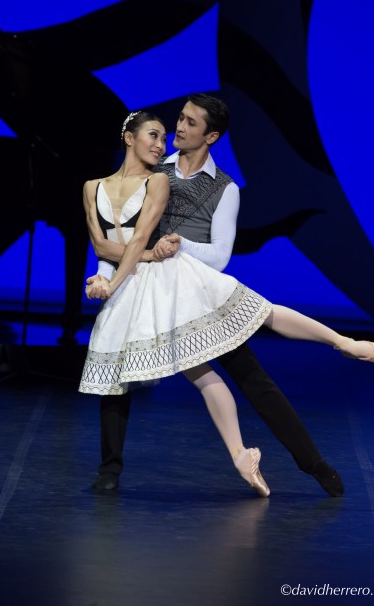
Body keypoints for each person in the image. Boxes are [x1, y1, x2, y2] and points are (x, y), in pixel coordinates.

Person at [81, 95, 374, 494]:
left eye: (190, 123)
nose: (178, 129)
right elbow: (123, 238)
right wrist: (106, 273)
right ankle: (124, 467)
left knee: (255, 363)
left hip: (195, 287)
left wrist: (179, 245)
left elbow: (220, 256)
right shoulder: (154, 171)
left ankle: (316, 447)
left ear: (211, 136)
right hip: (152, 289)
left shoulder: (224, 188)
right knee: (171, 374)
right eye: (180, 119)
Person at [79, 109, 271, 496]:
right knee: (114, 378)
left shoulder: (157, 181)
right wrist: (103, 274)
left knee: (203, 362)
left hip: (153, 281)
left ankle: (239, 452)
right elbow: (102, 244)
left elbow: (139, 239)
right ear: (129, 137)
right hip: (123, 280)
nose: (160, 144)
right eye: (153, 135)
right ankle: (109, 468)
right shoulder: (92, 186)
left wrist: (120, 275)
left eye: (163, 138)